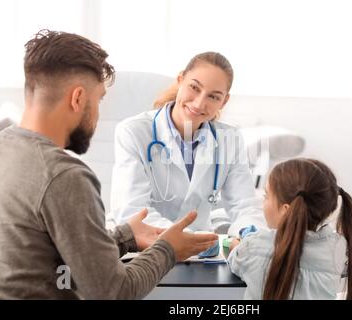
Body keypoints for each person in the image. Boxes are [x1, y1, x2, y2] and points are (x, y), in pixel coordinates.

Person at [0, 29, 217, 299]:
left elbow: (47, 255)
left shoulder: (0, 149)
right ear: (77, 99)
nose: (98, 114)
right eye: (98, 99)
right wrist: (168, 248)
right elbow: (113, 291)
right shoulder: (64, 176)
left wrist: (124, 237)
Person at [110, 52, 266, 236]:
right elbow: (133, 211)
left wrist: (250, 233)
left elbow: (244, 205)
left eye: (214, 97)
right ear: (180, 80)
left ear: (224, 101)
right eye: (194, 87)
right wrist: (191, 239)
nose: (200, 103)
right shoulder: (134, 132)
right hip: (146, 249)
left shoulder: (229, 139)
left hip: (201, 253)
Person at [227, 158, 352, 300]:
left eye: (266, 196)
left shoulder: (253, 247)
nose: (262, 202)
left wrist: (238, 246)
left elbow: (236, 259)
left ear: (285, 210)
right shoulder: (338, 249)